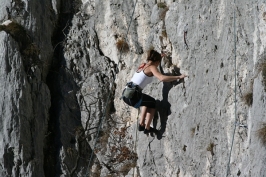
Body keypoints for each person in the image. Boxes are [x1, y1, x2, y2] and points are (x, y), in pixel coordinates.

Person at [122, 50, 187, 135]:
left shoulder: (142, 65)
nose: (158, 65)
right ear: (156, 61)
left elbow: (152, 64)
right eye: (158, 62)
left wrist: (160, 56)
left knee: (145, 101)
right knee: (152, 102)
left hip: (126, 94)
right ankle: (147, 127)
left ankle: (142, 124)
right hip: (133, 96)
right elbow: (162, 78)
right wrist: (179, 76)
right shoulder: (152, 67)